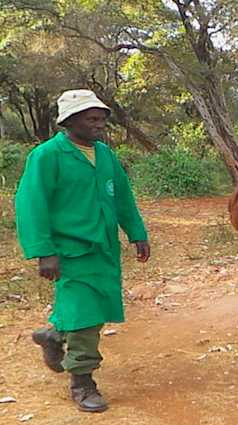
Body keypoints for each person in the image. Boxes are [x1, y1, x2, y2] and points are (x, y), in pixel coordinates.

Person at [15, 89, 151, 413]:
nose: (99, 124)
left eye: (102, 118)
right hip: (70, 253)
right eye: (91, 118)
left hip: (103, 251)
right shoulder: (47, 155)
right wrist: (44, 251)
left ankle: (54, 335)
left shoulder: (105, 155)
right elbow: (30, 203)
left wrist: (137, 234)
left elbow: (122, 199)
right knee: (86, 318)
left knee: (93, 310)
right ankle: (82, 382)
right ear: (69, 121)